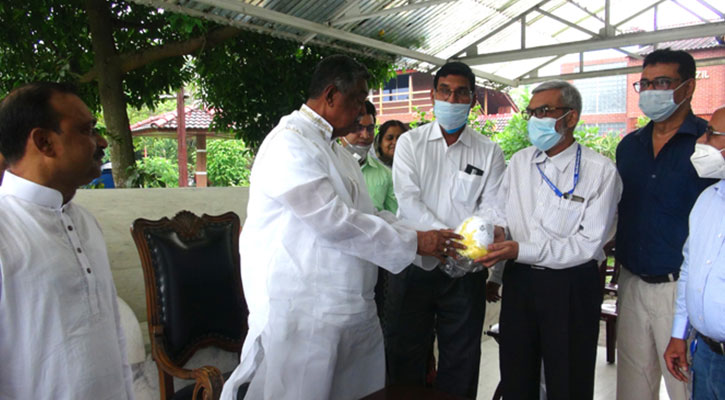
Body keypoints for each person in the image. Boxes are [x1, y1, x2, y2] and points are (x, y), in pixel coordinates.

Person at [220, 55, 462, 400]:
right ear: (331, 95)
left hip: (352, 306)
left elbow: (368, 213)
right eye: (358, 100)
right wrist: (415, 242)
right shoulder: (290, 143)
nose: (362, 111)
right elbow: (333, 221)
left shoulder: (337, 151)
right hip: (307, 311)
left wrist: (424, 237)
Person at [478, 80, 622, 400]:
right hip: (520, 281)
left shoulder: (600, 171)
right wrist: (499, 234)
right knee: (517, 373)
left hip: (570, 284)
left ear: (571, 117)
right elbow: (503, 214)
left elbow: (588, 244)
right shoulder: (520, 163)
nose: (535, 120)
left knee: (568, 376)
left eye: (544, 111)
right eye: (531, 113)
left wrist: (522, 249)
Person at [0, 82, 134, 399]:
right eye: (86, 130)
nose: (101, 142)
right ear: (44, 142)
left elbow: (113, 334)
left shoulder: (85, 222)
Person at [386, 61, 506, 398]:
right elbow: (408, 201)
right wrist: (449, 241)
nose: (452, 100)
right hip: (414, 264)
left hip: (466, 272)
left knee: (461, 359)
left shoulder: (489, 151)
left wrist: (458, 249)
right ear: (433, 95)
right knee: (405, 354)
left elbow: (492, 209)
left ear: (473, 99)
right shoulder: (410, 143)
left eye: (461, 93)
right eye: (445, 91)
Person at [615, 48, 716, 400]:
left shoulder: (707, 146)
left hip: (682, 291)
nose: (650, 91)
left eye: (661, 82)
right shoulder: (629, 146)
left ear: (688, 87)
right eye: (644, 83)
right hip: (632, 282)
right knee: (633, 387)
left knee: (685, 386)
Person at [664, 106, 725, 400]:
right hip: (706, 353)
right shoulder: (708, 200)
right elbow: (691, 269)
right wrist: (679, 333)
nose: (701, 140)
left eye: (711, 134)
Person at [340, 100, 397, 213]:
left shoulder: (386, 175)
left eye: (370, 129)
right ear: (342, 130)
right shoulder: (328, 166)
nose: (365, 135)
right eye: (358, 128)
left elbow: (394, 217)